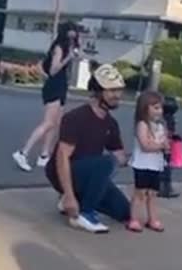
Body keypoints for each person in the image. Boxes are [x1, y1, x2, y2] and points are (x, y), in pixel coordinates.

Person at [45, 63, 131, 233]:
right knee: (106, 162)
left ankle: (77, 198)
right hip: (63, 171)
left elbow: (120, 158)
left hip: (90, 174)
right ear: (98, 92)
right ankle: (84, 214)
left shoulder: (110, 123)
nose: (117, 95)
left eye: (119, 90)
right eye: (112, 91)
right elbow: (62, 157)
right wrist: (69, 195)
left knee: (124, 212)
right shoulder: (76, 117)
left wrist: (148, 153)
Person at [13, 21, 80, 172]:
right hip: (54, 87)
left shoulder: (67, 47)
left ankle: (44, 155)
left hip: (61, 86)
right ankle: (23, 152)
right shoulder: (59, 48)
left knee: (56, 123)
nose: (73, 36)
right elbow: (54, 70)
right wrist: (68, 58)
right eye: (71, 32)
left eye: (75, 33)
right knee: (48, 123)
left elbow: (44, 67)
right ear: (65, 33)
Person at [127, 91, 169, 233]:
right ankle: (133, 219)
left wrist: (167, 146)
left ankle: (153, 219)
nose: (160, 111)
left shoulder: (160, 126)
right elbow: (145, 146)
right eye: (156, 108)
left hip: (155, 165)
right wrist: (160, 146)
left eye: (160, 108)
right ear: (145, 108)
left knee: (152, 194)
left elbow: (162, 143)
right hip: (142, 164)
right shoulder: (142, 125)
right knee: (140, 193)